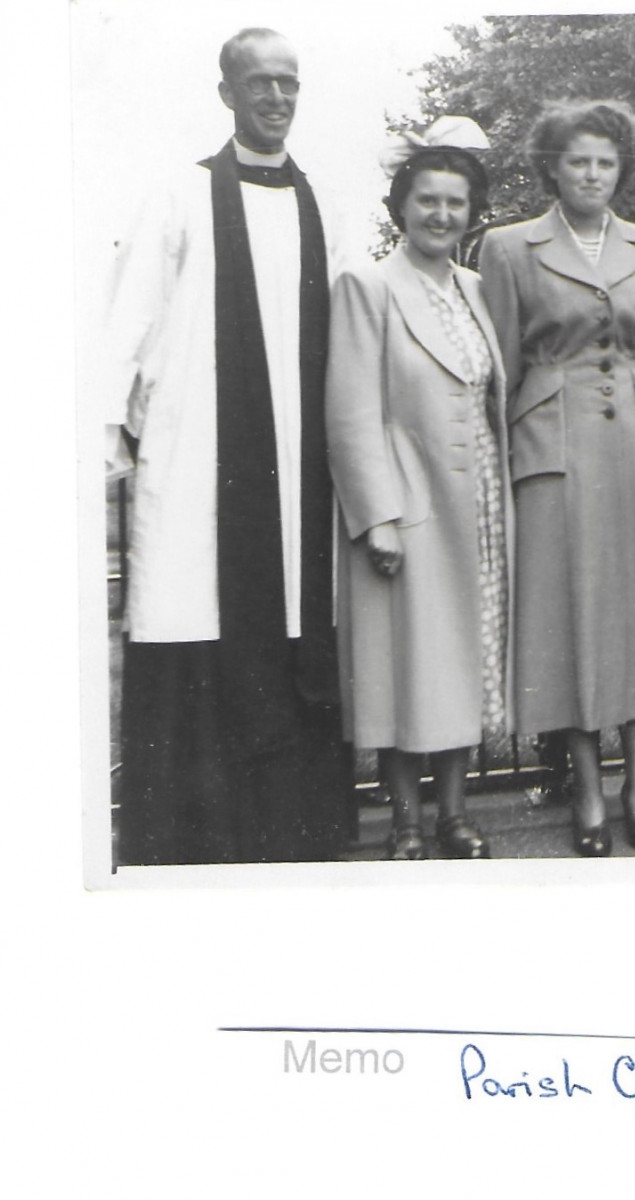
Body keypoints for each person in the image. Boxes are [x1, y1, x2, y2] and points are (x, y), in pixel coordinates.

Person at [103, 28, 349, 864]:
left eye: (288, 83)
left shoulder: (326, 204)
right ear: (227, 94)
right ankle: (193, 832)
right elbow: (128, 319)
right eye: (258, 84)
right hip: (198, 453)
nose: (275, 98)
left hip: (298, 472)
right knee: (195, 597)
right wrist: (111, 431)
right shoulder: (177, 195)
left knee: (290, 607)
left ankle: (298, 827)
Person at [479, 100, 635, 857]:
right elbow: (501, 366)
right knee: (566, 616)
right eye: (578, 160)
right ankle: (589, 792)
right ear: (552, 166)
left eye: (606, 161)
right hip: (552, 447)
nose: (592, 174)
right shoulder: (509, 248)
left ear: (622, 168)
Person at [325, 118, 511, 861]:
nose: (441, 215)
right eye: (427, 200)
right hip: (408, 507)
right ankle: (405, 822)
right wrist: (378, 518)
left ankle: (455, 816)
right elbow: (349, 409)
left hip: (478, 505)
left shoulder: (473, 287)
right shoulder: (367, 284)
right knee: (405, 668)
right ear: (401, 206)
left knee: (458, 663)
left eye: (456, 203)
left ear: (472, 213)